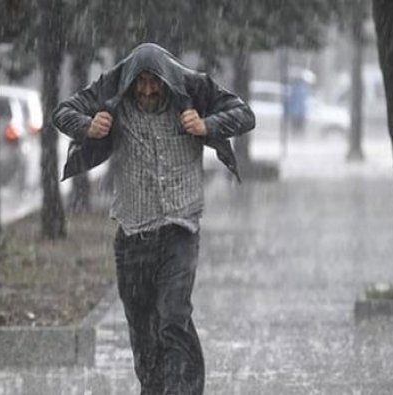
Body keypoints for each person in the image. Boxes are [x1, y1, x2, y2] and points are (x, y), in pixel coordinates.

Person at [52, 43, 255, 394]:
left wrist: (206, 125)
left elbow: (244, 115)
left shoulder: (191, 87)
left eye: (154, 82)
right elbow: (62, 112)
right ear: (131, 80)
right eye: (141, 83)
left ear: (166, 80)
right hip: (132, 234)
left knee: (174, 319)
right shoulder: (113, 87)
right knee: (143, 327)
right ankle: (154, 388)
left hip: (180, 228)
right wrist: (89, 126)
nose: (147, 90)